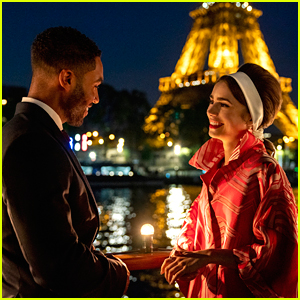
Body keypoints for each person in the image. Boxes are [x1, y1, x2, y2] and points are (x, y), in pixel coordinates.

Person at [2, 26, 130, 297]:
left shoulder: (15, 132)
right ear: (67, 78)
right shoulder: (34, 145)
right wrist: (118, 274)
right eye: (95, 85)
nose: (96, 98)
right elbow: (58, 265)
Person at [161, 63, 298, 298]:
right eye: (211, 101)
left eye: (223, 105)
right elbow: (194, 231)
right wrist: (183, 256)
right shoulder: (216, 169)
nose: (211, 111)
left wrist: (210, 256)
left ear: (250, 117)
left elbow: (278, 253)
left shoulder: (265, 170)